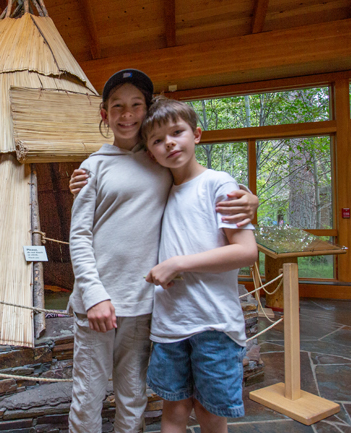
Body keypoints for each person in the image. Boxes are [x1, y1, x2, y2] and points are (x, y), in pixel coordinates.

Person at [67, 70, 258, 433]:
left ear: (147, 109)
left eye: (136, 105)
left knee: (133, 397)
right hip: (98, 303)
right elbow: (79, 235)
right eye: (117, 106)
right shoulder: (92, 167)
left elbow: (200, 183)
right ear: (104, 114)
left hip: (143, 304)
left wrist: (250, 198)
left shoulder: (159, 161)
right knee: (88, 395)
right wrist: (93, 295)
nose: (127, 114)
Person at [142, 97, 258, 433]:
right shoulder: (160, 190)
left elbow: (246, 251)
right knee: (174, 409)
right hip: (169, 323)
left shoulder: (219, 183)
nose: (169, 143)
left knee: (210, 413)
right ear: (150, 152)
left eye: (177, 132)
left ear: (197, 134)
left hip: (214, 323)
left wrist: (178, 263)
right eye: (158, 140)